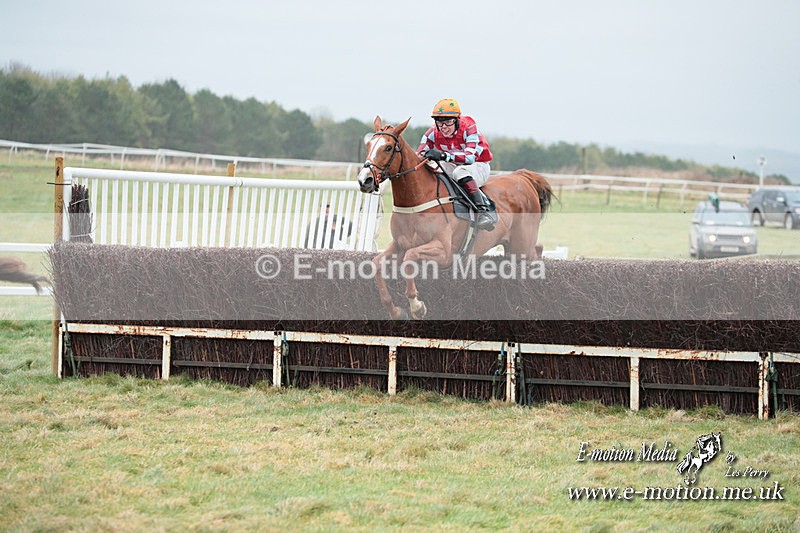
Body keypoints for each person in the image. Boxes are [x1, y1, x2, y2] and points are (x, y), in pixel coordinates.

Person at [417, 98, 496, 231]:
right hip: (454, 163)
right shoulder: (432, 133)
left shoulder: (469, 127)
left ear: (457, 120)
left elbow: (470, 158)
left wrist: (443, 155)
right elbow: (419, 154)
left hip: (478, 164)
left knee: (460, 172)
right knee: (434, 167)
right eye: (440, 122)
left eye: (448, 122)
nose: (443, 127)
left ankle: (483, 211)